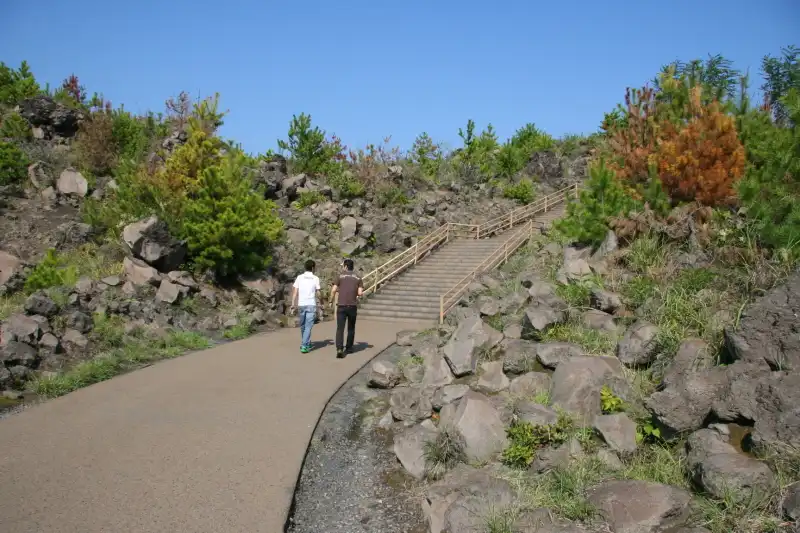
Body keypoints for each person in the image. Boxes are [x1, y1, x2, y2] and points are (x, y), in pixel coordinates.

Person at [329, 258, 363, 358]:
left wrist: (331, 301)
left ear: (346, 266)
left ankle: (339, 348)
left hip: (341, 306)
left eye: (343, 265)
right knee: (351, 328)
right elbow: (360, 293)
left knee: (340, 328)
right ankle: (349, 347)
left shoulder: (340, 276)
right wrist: (357, 294)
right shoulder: (358, 277)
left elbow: (333, 290)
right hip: (352, 306)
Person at [291, 259, 321, 353]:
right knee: (307, 326)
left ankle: (305, 342)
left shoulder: (299, 277)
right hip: (311, 304)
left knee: (303, 325)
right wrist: (321, 301)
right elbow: (318, 292)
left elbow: (295, 292)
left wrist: (293, 303)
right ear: (313, 268)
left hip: (301, 304)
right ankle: (305, 344)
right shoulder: (315, 278)